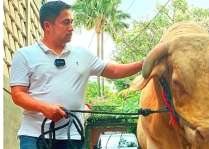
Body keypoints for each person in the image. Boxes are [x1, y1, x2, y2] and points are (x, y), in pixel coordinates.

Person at [10, 1, 144, 149]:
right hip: (34, 136)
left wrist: (144, 63)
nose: (71, 28)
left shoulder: (82, 54)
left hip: (72, 136)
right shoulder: (24, 55)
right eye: (66, 23)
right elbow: (18, 95)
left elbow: (113, 71)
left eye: (71, 22)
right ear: (47, 26)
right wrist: (44, 108)